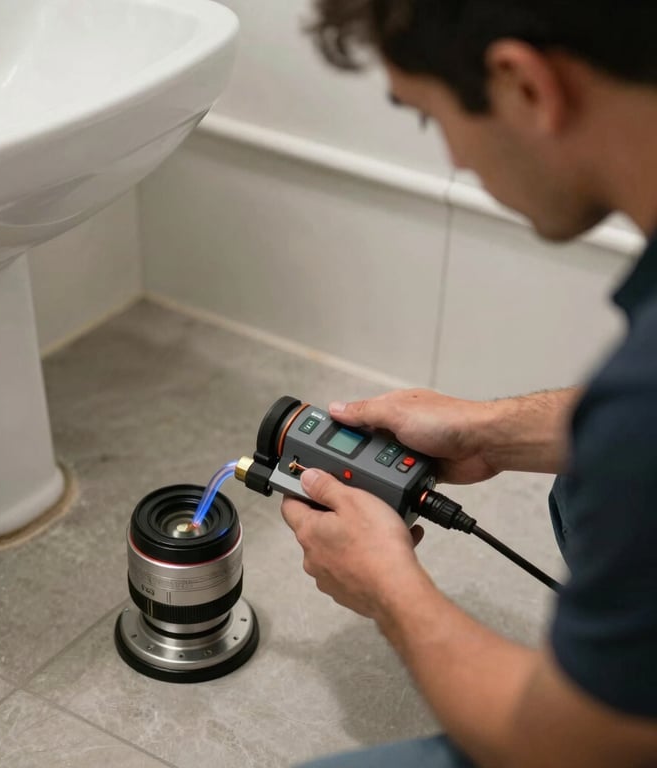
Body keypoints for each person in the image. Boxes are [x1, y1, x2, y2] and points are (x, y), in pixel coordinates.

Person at [280, 2, 657, 766]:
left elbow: (570, 748)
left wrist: (388, 588)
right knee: (580, 483)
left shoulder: (639, 401)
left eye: (430, 117)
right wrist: (494, 429)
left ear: (523, 85)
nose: (454, 156)